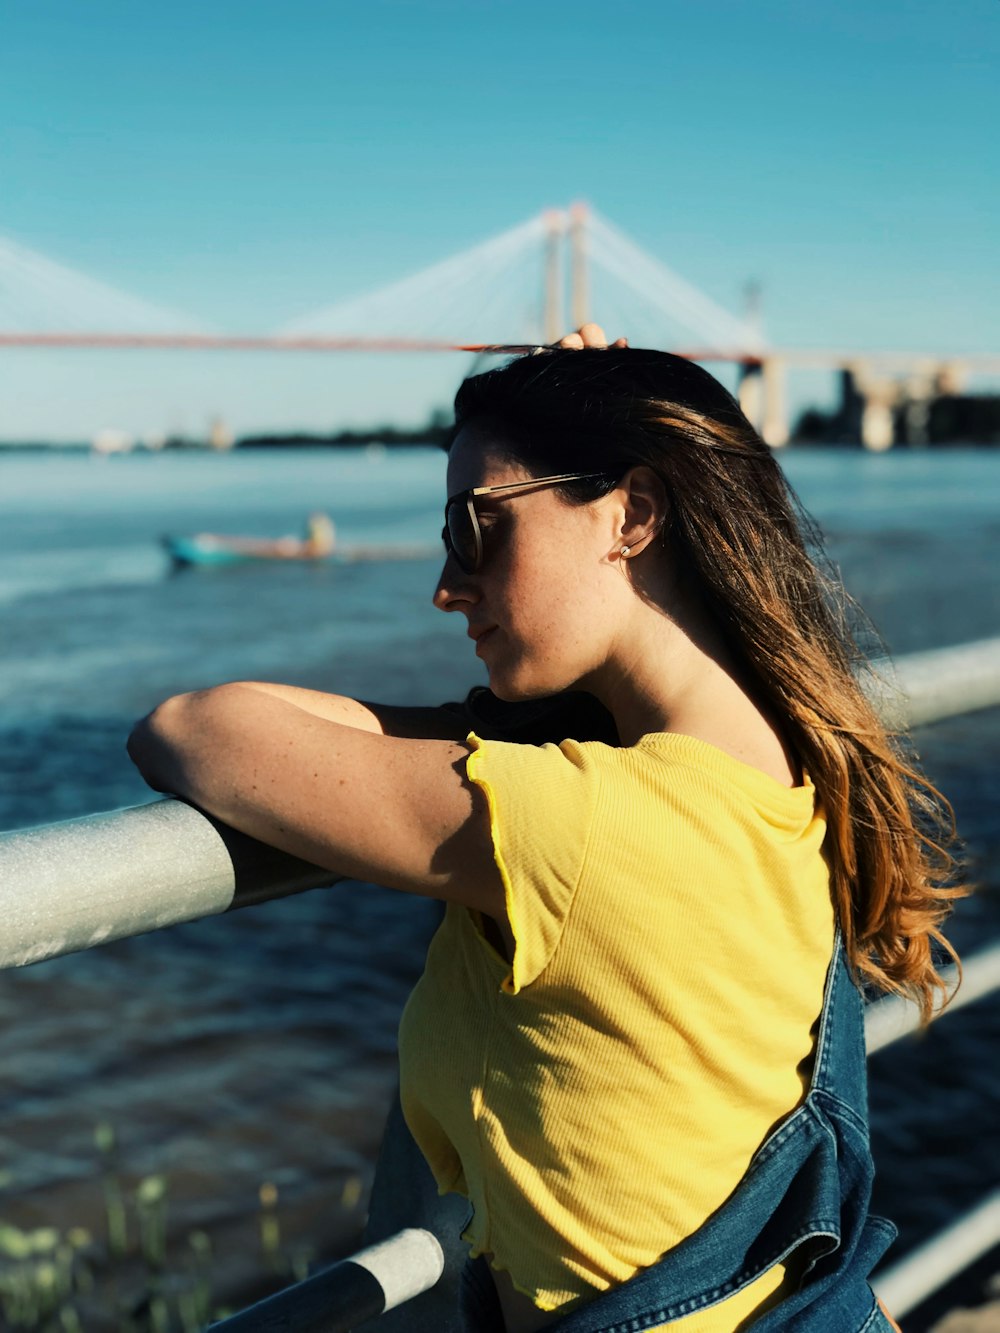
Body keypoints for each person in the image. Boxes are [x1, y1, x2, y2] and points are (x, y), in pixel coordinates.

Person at [128, 325, 960, 1332]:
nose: (446, 586)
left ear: (632, 514)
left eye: (477, 529)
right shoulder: (777, 766)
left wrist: (489, 733)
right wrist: (586, 395)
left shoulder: (583, 821)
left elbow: (195, 729)